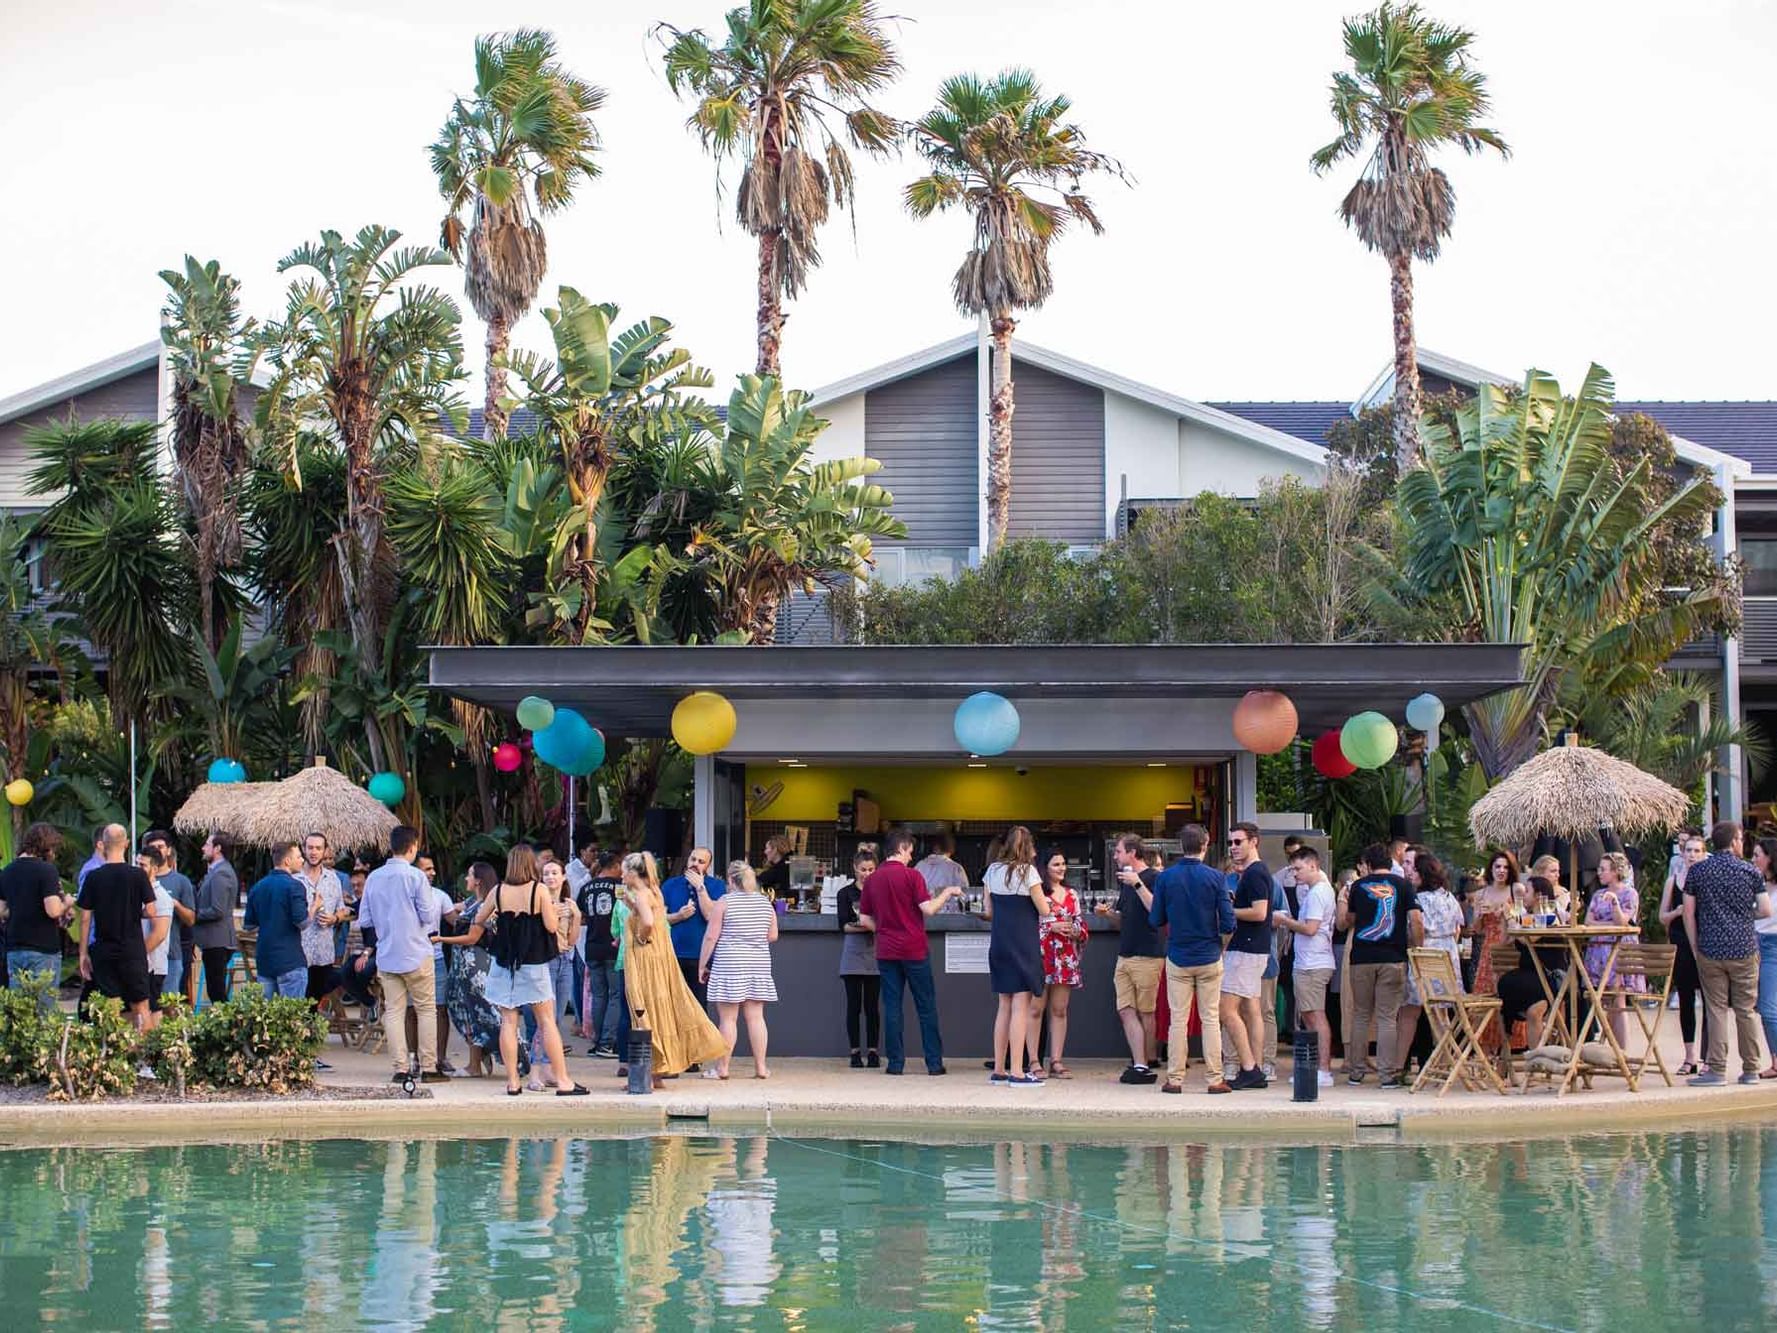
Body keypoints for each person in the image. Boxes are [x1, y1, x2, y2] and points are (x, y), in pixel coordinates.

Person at [463, 844, 585, 1096]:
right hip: (533, 962)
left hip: (503, 963)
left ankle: (513, 1082)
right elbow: (551, 927)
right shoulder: (538, 890)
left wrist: (499, 923)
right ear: (531, 864)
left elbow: (478, 919)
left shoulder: (498, 891)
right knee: (546, 1021)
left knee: (509, 1022)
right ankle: (563, 1081)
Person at [858, 828, 964, 1076]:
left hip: (886, 951)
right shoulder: (912, 876)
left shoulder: (872, 880)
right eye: (910, 852)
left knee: (892, 1007)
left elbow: (864, 919)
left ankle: (895, 1064)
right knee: (925, 1006)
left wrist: (883, 931)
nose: (911, 857)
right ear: (902, 848)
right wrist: (948, 891)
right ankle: (934, 1064)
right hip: (914, 949)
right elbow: (928, 910)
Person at [620, 851, 728, 1087]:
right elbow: (655, 916)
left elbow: (648, 922)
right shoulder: (655, 891)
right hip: (662, 957)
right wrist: (631, 905)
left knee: (644, 1009)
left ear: (632, 873)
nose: (621, 875)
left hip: (646, 959)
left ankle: (649, 1073)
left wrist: (640, 938)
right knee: (662, 1009)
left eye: (623, 871)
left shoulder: (641, 893)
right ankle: (658, 1073)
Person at [1682, 821, 1776, 1086]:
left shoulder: (1698, 871)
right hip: (1745, 948)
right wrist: (1744, 916)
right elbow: (1766, 911)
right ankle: (1751, 1070)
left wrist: (1695, 945)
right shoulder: (1749, 871)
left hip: (1710, 948)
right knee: (1745, 1011)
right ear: (1735, 841)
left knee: (1716, 1010)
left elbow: (1688, 913)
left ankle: (1717, 1070)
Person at [1147, 823, 1236, 1095]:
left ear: (1180, 846)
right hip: (1209, 955)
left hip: (1178, 956)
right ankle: (1214, 1079)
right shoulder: (1216, 878)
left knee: (1178, 1020)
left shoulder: (1166, 878)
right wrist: (1219, 943)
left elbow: (1155, 918)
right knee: (1210, 1018)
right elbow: (1229, 922)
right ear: (1205, 844)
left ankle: (1174, 1079)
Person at [357, 826, 447, 1085]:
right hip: (417, 951)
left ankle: (401, 1068)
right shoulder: (416, 877)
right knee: (426, 1010)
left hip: (387, 954)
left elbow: (364, 919)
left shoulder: (373, 877)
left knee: (394, 1012)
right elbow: (429, 916)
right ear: (413, 846)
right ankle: (429, 1067)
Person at [1338, 842, 1420, 1088]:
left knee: (1361, 1015)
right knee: (1387, 1018)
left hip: (1361, 958)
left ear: (1369, 864)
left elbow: (1347, 920)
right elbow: (1415, 919)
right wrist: (1417, 945)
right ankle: (1386, 1075)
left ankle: (1356, 1072)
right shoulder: (1404, 885)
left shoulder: (1357, 886)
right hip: (1393, 958)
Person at [699, 860, 780, 1080]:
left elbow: (711, 936)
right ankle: (761, 1068)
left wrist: (703, 964)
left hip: (730, 963)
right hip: (758, 963)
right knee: (756, 1017)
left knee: (728, 1019)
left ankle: (723, 1068)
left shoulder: (724, 902)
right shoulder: (765, 903)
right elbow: (773, 935)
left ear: (731, 880)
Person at [982, 826, 1049, 1087]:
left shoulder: (992, 871)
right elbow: (1043, 909)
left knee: (1003, 1006)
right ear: (1028, 847)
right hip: (1023, 944)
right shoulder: (1029, 872)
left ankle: (999, 1069)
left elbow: (988, 910)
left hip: (999, 943)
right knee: (1021, 1006)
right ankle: (1018, 1072)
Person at [76, 824, 155, 1031]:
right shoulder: (138, 875)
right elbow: (152, 911)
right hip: (132, 949)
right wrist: (133, 912)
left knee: (111, 1005)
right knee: (141, 1006)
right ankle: (147, 1059)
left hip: (104, 949)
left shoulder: (94, 876)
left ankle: (115, 1056)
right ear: (127, 844)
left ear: (103, 845)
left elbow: (85, 917)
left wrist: (82, 953)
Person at [1103, 832, 1164, 1085]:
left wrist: (1137, 883)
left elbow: (1157, 911)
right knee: (1126, 1009)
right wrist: (1107, 915)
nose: (1115, 856)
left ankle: (1148, 1061)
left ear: (1132, 852)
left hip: (1148, 954)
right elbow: (1123, 920)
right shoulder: (1125, 883)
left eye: (1118, 851)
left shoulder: (1154, 878)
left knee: (1146, 1012)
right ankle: (1139, 1063)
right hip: (1125, 954)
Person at [1274, 845, 1336, 1087]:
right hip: (1310, 961)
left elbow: (1310, 928)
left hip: (1314, 963)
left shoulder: (1319, 892)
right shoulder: (1318, 891)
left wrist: (1285, 921)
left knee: (1314, 1015)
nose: (1295, 875)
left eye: (1298, 869)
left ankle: (1323, 1069)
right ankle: (1318, 1068)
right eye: (1292, 870)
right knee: (1310, 1015)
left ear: (1313, 865)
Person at [1220, 821, 1274, 1091]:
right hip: (1255, 949)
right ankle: (1255, 1067)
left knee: (1226, 1010)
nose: (1233, 847)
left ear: (1254, 841)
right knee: (1252, 1010)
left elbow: (1260, 912)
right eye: (1231, 843)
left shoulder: (1254, 873)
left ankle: (1250, 1068)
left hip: (1246, 949)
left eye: (1238, 842)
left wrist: (1228, 910)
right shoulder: (1256, 872)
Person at [438, 861, 504, 1078]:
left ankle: (475, 1063)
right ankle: (478, 1055)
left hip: (475, 965)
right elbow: (452, 908)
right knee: (464, 1009)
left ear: (478, 881)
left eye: (469, 875)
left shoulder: (486, 905)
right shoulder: (472, 901)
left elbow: (472, 937)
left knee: (476, 1011)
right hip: (462, 965)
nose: (465, 879)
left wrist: (440, 938)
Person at [1399, 851, 1464, 1070]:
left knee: (1410, 1011)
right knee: (1441, 1012)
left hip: (1425, 954)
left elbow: (1415, 926)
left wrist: (1413, 946)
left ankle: (1398, 1064)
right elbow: (1458, 928)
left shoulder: (1420, 898)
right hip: (1447, 953)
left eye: (1414, 869)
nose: (1410, 873)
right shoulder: (1448, 896)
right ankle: (1446, 1062)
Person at [527, 857, 582, 1091]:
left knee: (556, 1020)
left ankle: (549, 1069)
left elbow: (571, 941)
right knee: (544, 1021)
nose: (550, 877)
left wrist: (576, 916)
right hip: (544, 962)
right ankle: (534, 1073)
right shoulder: (538, 902)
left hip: (564, 962)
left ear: (563, 876)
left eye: (554, 873)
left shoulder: (569, 904)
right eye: (546, 873)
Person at [3, 822, 70, 1010]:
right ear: (45, 846)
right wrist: (68, 903)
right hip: (43, 948)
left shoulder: (8, 870)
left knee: (19, 1009)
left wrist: (22, 907)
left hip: (15, 946)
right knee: (43, 1010)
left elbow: (1, 911)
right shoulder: (46, 871)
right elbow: (53, 910)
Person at [1660, 832, 1711, 1075]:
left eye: (1696, 851)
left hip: (1706, 943)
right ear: (1682, 853)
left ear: (1704, 854)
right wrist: (1677, 912)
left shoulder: (1710, 880)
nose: (1691, 855)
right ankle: (1690, 1056)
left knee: (1712, 1001)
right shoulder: (1674, 880)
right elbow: (1662, 917)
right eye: (1688, 850)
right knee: (1686, 1000)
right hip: (1680, 943)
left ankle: (1709, 1057)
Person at [1034, 847, 1086, 1079]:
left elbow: (1082, 925)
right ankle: (1034, 1062)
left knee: (1059, 1009)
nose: (1062, 868)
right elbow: (1026, 926)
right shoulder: (1035, 893)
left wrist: (1074, 931)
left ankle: (1056, 1061)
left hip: (1065, 958)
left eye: (1063, 863)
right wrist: (1050, 927)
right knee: (1035, 1009)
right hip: (1040, 955)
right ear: (1044, 868)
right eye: (1056, 864)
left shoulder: (1072, 895)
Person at [1583, 851, 1642, 1048]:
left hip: (1619, 951)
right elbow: (1588, 921)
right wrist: (1605, 926)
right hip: (1599, 951)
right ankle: (1611, 1049)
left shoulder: (1629, 894)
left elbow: (1623, 922)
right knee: (1605, 1001)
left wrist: (1615, 904)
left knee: (1619, 1000)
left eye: (1603, 869)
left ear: (1616, 871)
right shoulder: (1598, 894)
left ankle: (1622, 1051)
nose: (1599, 872)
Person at [661, 847, 725, 1010]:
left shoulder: (717, 886)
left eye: (701, 861)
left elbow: (710, 916)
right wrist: (678, 916)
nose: (695, 864)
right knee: (673, 1006)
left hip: (702, 956)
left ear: (708, 866)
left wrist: (700, 888)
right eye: (693, 859)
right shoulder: (670, 884)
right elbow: (658, 919)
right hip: (673, 954)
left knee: (699, 1007)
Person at [244, 841, 310, 1000]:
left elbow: (249, 926)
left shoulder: (258, 887)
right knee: (292, 1019)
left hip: (265, 961)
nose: (303, 860)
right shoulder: (295, 886)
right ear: (287, 861)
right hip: (290, 960)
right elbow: (302, 922)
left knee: (269, 1019)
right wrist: (314, 908)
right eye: (299, 856)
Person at [577, 848, 626, 1058]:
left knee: (598, 995)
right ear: (614, 866)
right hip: (614, 946)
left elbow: (581, 916)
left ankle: (597, 1041)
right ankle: (608, 1042)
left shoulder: (587, 887)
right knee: (616, 994)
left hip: (592, 945)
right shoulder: (620, 888)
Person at [837, 844, 881, 1068]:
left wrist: (865, 924)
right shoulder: (845, 893)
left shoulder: (881, 891)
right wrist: (869, 925)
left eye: (871, 869)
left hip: (876, 953)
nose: (867, 874)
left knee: (872, 1006)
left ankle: (873, 1050)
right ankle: (854, 1051)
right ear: (855, 868)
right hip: (853, 953)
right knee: (853, 1006)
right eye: (863, 869)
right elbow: (843, 926)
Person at [141, 831, 195, 1005]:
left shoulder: (181, 882)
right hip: (143, 953)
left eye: (161, 847)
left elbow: (191, 919)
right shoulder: (138, 880)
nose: (157, 850)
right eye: (153, 847)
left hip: (171, 954)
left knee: (169, 1006)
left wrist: (175, 905)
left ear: (169, 850)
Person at [296, 832, 347, 1016]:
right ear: (303, 849)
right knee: (299, 999)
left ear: (325, 851)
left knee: (314, 1001)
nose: (314, 852)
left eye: (318, 848)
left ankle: (309, 1036)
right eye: (310, 848)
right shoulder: (294, 878)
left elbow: (342, 908)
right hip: (299, 950)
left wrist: (335, 918)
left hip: (324, 951)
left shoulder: (333, 879)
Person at [193, 832, 239, 1004]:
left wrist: (193, 915)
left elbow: (218, 910)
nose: (203, 848)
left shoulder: (222, 873)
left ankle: (227, 1027)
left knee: (217, 991)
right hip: (213, 941)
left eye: (207, 844)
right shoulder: (215, 871)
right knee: (215, 989)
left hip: (218, 940)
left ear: (217, 848)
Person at [137, 846, 175, 1029]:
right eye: (137, 864)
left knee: (152, 1007)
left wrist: (137, 955)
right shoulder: (138, 892)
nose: (139, 868)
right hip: (141, 962)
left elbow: (159, 934)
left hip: (153, 963)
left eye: (143, 865)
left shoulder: (161, 896)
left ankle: (155, 1047)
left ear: (154, 868)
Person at [1755, 837, 1777, 1080]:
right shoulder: (1757, 882)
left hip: (1773, 944)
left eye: (1758, 854)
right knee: (1765, 1007)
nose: (1754, 859)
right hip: (1757, 943)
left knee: (1769, 1009)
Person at [915, 832, 969, 912]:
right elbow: (966, 895)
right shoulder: (956, 868)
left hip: (923, 915)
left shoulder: (919, 866)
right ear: (952, 849)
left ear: (935, 847)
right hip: (949, 917)